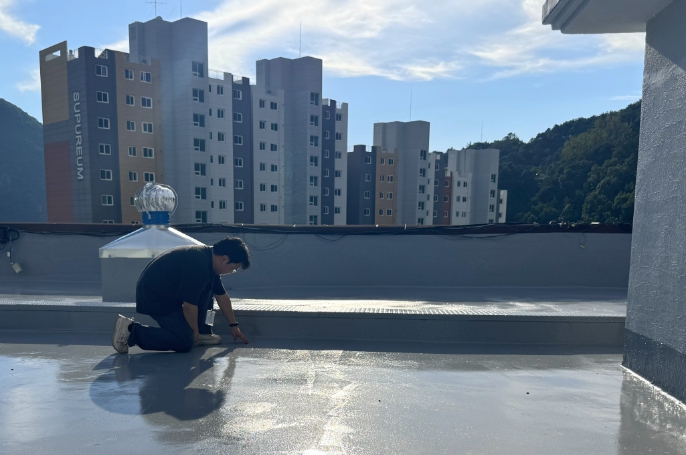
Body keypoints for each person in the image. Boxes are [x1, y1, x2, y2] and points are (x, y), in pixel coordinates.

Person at [111, 237, 250, 354]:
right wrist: (194, 333)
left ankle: (203, 333)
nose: (230, 272)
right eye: (233, 269)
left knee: (209, 288)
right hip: (155, 298)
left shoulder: (209, 259)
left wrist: (234, 325)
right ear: (224, 259)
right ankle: (130, 331)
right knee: (185, 341)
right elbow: (188, 305)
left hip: (169, 294)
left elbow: (221, 296)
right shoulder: (198, 266)